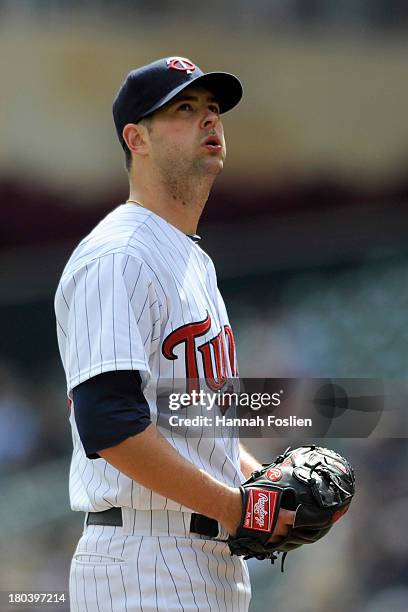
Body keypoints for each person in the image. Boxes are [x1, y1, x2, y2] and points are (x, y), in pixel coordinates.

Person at [55, 56, 294, 612]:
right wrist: (240, 509)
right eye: (184, 109)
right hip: (144, 555)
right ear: (135, 138)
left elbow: (192, 421)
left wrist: (269, 488)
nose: (209, 119)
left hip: (202, 557)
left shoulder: (189, 260)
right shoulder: (118, 255)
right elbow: (110, 422)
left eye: (212, 109)